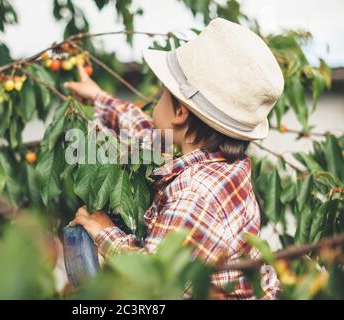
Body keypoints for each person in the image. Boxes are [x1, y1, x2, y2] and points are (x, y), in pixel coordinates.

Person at [65, 18, 284, 299]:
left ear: (180, 112)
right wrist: (100, 98)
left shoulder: (195, 195)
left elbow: (154, 281)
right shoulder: (225, 165)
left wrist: (104, 230)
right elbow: (149, 136)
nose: (156, 100)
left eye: (162, 95)